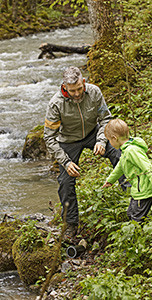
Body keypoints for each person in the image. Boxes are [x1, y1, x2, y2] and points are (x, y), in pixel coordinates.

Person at [44, 66, 128, 238]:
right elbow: (49, 138)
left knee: (119, 155)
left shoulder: (94, 92)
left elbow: (105, 118)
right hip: (68, 141)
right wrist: (66, 162)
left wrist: (101, 140)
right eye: (72, 90)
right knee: (65, 182)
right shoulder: (55, 104)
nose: (76, 94)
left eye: (79, 89)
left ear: (83, 82)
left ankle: (133, 196)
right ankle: (70, 224)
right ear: (64, 87)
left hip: (93, 133)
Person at [103, 119, 152, 223]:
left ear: (114, 138)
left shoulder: (132, 151)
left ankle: (141, 235)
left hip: (144, 191)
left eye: (109, 140)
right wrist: (110, 180)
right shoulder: (125, 150)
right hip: (138, 190)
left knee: (136, 218)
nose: (110, 143)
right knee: (130, 213)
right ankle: (145, 227)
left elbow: (148, 168)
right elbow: (120, 166)